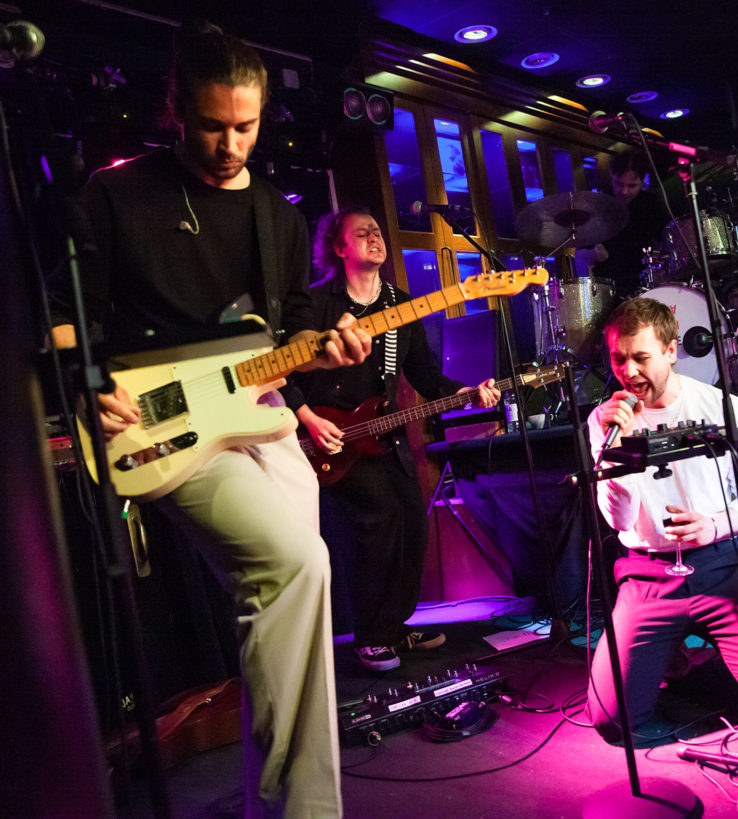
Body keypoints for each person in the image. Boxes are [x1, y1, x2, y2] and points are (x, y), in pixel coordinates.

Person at [51, 23, 370, 818]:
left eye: (246, 127)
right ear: (176, 110)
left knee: (291, 606)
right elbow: (60, 312)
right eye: (211, 125)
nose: (230, 145)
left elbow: (294, 322)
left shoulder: (275, 215)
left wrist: (325, 345)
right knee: (296, 565)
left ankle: (281, 802)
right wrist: (86, 380)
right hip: (162, 424)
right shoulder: (118, 196)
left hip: (261, 413)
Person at [585, 297, 738, 744]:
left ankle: (701, 658)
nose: (628, 372)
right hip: (649, 577)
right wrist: (620, 453)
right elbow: (619, 520)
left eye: (641, 358)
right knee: (611, 721)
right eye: (618, 359)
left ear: (671, 351)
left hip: (720, 566)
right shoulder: (606, 421)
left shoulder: (719, 405)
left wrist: (712, 526)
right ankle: (668, 655)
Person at [282, 205, 501, 672]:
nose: (374, 237)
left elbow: (425, 375)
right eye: (361, 232)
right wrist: (308, 418)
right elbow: (282, 372)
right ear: (338, 248)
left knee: (413, 524)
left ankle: (394, 626)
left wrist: (464, 393)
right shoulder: (317, 304)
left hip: (384, 434)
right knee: (379, 519)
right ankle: (371, 637)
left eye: (377, 231)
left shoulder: (400, 307)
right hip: (329, 436)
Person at [588, 150, 667, 299]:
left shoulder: (651, 204)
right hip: (608, 285)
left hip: (645, 282)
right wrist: (594, 253)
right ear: (611, 175)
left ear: (642, 182)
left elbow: (664, 243)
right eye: (619, 184)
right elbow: (582, 252)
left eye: (632, 186)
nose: (624, 191)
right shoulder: (598, 205)